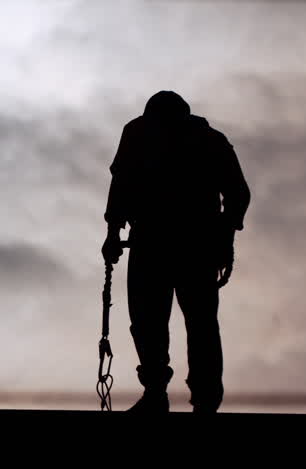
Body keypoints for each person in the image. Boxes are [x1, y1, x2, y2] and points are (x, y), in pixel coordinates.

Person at [101, 90, 250, 413]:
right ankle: (160, 392)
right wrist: (113, 232)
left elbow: (238, 194)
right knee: (153, 321)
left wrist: (224, 237)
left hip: (190, 246)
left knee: (195, 324)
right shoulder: (139, 134)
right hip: (159, 244)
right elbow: (122, 185)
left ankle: (201, 398)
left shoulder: (206, 140)